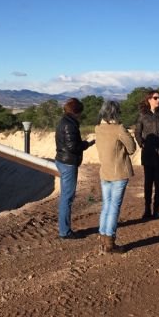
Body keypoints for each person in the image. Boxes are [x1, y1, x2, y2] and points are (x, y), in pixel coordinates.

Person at [95, 100, 137, 254]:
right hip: (119, 172)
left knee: (106, 206)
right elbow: (132, 148)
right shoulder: (119, 128)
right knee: (114, 208)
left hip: (104, 172)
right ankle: (110, 243)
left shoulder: (98, 128)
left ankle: (102, 238)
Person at [55, 98, 94, 239]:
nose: (81, 115)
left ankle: (64, 229)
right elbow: (73, 147)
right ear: (76, 111)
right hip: (68, 163)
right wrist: (86, 144)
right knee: (67, 197)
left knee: (66, 196)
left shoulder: (64, 122)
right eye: (80, 112)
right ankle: (65, 231)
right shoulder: (70, 125)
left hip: (62, 160)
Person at [134, 89, 159, 219]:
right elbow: (137, 132)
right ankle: (147, 209)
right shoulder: (142, 114)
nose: (158, 100)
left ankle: (156, 208)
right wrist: (142, 144)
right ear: (149, 99)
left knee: (158, 182)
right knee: (147, 182)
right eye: (155, 98)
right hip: (148, 153)